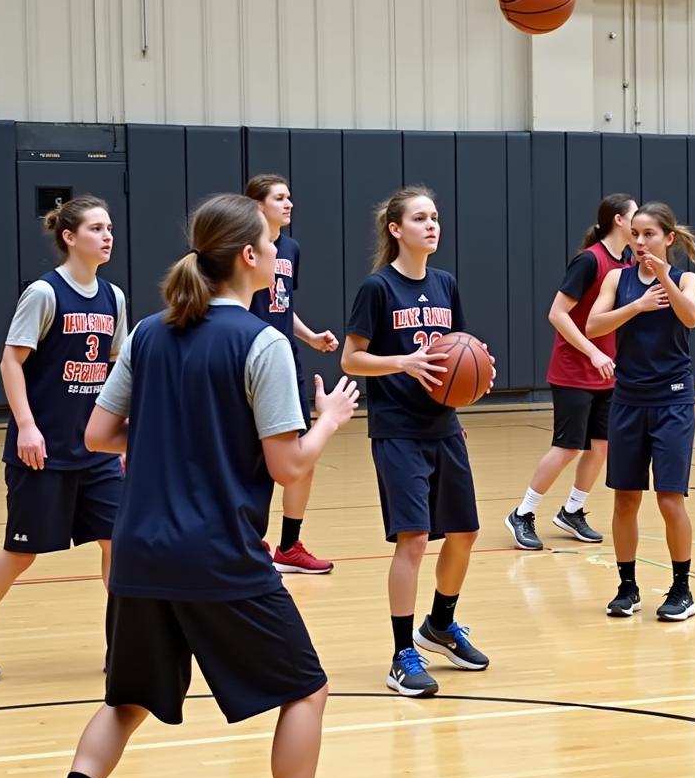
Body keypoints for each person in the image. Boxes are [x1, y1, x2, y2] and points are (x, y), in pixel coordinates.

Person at [20, 194, 373, 778]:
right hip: (217, 556)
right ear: (248, 257)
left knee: (125, 701)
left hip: (140, 555)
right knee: (307, 692)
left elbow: (97, 436)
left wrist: (165, 437)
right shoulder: (260, 342)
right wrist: (330, 417)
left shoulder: (150, 333)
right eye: (271, 244)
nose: (278, 254)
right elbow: (287, 465)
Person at [0, 196, 126, 682]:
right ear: (69, 237)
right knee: (21, 552)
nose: (107, 236)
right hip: (43, 449)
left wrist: (123, 437)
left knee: (117, 543)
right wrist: (27, 425)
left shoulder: (115, 298)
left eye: (109, 227)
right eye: (96, 228)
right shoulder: (45, 294)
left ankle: (122, 647)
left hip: (96, 451)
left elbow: (114, 370)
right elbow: (11, 362)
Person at [341, 186, 493, 698]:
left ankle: (441, 625)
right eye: (420, 218)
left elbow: (461, 352)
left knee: (466, 532)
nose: (432, 225)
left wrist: (471, 387)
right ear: (396, 229)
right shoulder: (378, 288)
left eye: (435, 217)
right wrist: (401, 362)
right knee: (413, 540)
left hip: (443, 425)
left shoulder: (446, 284)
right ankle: (402, 653)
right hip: (397, 428)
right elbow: (351, 359)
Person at [587, 201, 695, 622]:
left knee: (670, 500)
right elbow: (593, 327)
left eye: (649, 234)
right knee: (625, 501)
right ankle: (628, 586)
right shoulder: (617, 279)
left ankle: (682, 589)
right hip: (628, 401)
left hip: (672, 400)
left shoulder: (685, 278)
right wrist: (635, 305)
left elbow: (690, 317)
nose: (639, 241)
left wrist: (663, 282)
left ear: (668, 238)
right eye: (634, 234)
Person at [506, 193, 636, 550]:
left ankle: (572, 510)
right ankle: (522, 513)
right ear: (619, 221)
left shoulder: (626, 263)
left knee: (601, 446)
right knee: (567, 447)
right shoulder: (589, 261)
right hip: (574, 370)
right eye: (634, 215)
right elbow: (557, 313)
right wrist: (593, 352)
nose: (640, 223)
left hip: (608, 371)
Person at [246, 173, 339, 574]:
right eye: (280, 198)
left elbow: (282, 304)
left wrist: (310, 336)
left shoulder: (292, 248)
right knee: (251, 456)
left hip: (286, 361)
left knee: (304, 453)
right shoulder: (242, 247)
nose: (289, 204)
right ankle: (249, 539)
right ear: (257, 205)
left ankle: (289, 545)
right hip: (248, 361)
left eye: (290, 198)